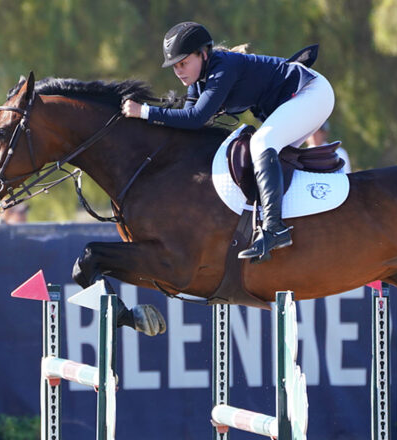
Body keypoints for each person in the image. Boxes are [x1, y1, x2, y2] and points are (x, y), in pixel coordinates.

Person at [121, 21, 335, 263]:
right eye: (175, 66)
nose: (179, 71)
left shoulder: (223, 67)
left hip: (311, 92)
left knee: (262, 143)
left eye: (183, 63)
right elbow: (190, 124)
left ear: (203, 54)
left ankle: (275, 228)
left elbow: (196, 118)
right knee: (268, 154)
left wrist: (145, 112)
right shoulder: (199, 83)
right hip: (298, 99)